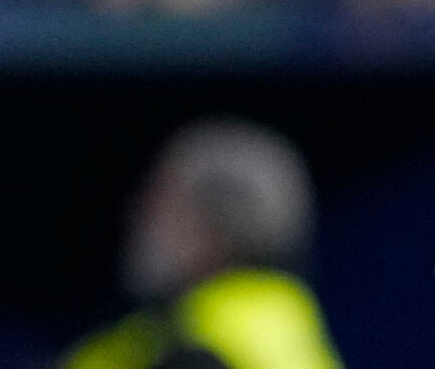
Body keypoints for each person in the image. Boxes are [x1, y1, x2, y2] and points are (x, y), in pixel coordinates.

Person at [63, 120, 344, 369]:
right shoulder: (283, 323)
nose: (137, 217)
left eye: (160, 203)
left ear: (215, 227)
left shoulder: (196, 346)